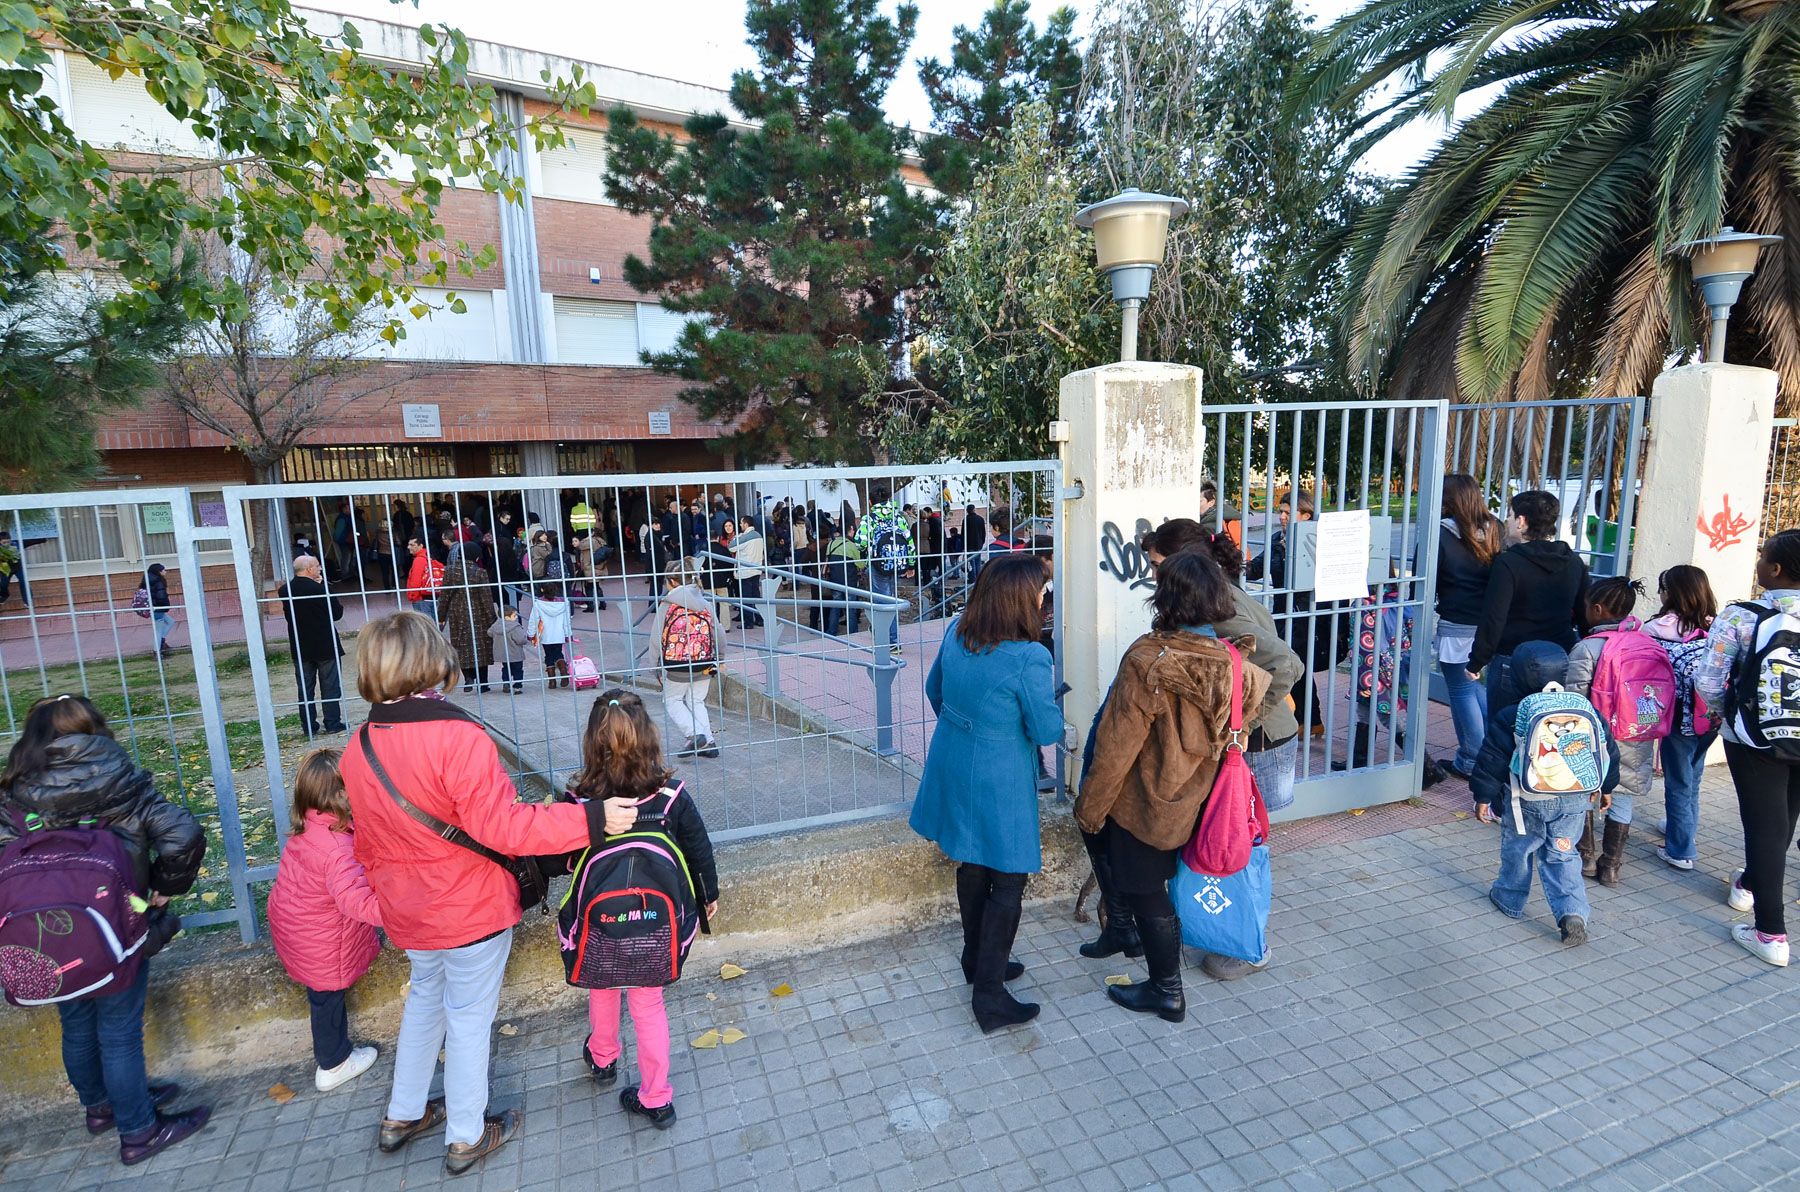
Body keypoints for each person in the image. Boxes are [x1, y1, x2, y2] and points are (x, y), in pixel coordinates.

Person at [338, 612, 635, 1176]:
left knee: (425, 1000)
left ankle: (401, 1115)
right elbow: (503, 828)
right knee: (469, 1019)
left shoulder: (360, 745)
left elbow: (366, 843)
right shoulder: (458, 738)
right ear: (431, 659)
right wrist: (590, 821)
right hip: (468, 908)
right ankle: (466, 1134)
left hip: (407, 911)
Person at [0, 695, 210, 1164]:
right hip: (119, 919)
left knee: (75, 1022)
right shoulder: (121, 780)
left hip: (44, 933)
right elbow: (184, 834)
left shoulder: (13, 792)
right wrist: (160, 888)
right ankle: (139, 1131)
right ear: (93, 729)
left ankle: (101, 1108)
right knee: (119, 1031)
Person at [1076, 553, 1273, 1023]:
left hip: (1149, 802)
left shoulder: (1148, 659)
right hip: (1205, 802)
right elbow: (1244, 722)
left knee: (1146, 890)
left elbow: (1117, 745)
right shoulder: (1233, 660)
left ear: (1164, 597)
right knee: (1160, 884)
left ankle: (1166, 990)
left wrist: (1091, 807)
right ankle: (1125, 938)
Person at [1127, 521, 1304, 981]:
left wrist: (1243, 719)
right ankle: (1231, 928)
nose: (1152, 575)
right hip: (1260, 739)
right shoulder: (1219, 590)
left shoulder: (1217, 610)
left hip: (1260, 742)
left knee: (1239, 844)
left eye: (1156, 565)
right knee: (1239, 843)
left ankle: (1249, 948)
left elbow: (1287, 663)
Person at [909, 554, 1063, 1033]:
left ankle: (976, 959)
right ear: (1023, 598)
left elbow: (934, 691)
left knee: (972, 862)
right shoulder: (1029, 657)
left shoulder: (959, 631)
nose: (1045, 598)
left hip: (952, 756)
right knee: (1009, 877)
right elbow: (1044, 730)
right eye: (1042, 591)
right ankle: (989, 995)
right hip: (998, 774)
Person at [568, 691, 719, 1127]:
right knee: (648, 1004)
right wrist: (708, 897)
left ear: (592, 742)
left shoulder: (579, 800)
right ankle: (657, 1097)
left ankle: (602, 1056)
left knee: (602, 983)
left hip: (602, 926)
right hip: (656, 928)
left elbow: (560, 858)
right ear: (649, 737)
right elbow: (698, 851)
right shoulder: (671, 796)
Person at [1469, 642, 1619, 946]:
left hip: (1527, 801)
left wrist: (1483, 796)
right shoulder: (1583, 708)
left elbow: (1492, 760)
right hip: (1575, 801)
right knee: (1563, 854)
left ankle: (1509, 897)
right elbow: (1608, 751)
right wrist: (1606, 787)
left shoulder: (1513, 713)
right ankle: (1572, 913)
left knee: (1519, 849)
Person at [1696, 529, 1800, 967]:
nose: (1757, 563)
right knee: (1783, 817)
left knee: (1764, 826)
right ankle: (1751, 882)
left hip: (1754, 738)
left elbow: (1708, 680)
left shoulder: (1742, 616)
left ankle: (1770, 933)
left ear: (1774, 570)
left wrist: (1723, 716)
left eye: (1762, 557)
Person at [266, 748, 384, 1094]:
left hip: (299, 932)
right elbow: (356, 902)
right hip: (324, 942)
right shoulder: (336, 848)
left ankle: (333, 1056)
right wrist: (400, 911)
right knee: (326, 1002)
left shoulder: (308, 828)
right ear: (342, 795)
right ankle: (333, 1063)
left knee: (322, 998)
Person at [1563, 577, 1657, 886]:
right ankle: (1612, 866)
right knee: (1624, 796)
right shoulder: (1647, 643)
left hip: (1596, 734)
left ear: (1598, 610)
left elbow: (1574, 699)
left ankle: (1585, 856)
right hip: (1636, 732)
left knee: (1586, 793)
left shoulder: (1587, 648)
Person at [1468, 489, 1590, 705]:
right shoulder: (1574, 562)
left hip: (1512, 658)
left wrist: (1477, 661)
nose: (1506, 520)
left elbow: (1494, 617)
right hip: (1559, 657)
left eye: (1510, 514)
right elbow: (1584, 615)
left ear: (1521, 521)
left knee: (1504, 730)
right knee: (1549, 730)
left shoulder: (1508, 563)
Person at [1248, 490, 1344, 739]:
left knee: (1294, 667)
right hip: (1285, 614)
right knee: (1296, 667)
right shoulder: (1277, 540)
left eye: (1288, 513)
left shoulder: (1319, 543)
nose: (1281, 517)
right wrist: (1235, 565)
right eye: (1280, 511)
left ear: (1306, 515)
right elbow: (1256, 569)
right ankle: (1310, 720)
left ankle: (1306, 719)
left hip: (1309, 616)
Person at [1643, 565, 1719, 872]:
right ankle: (1682, 828)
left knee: (1678, 782)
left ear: (1671, 593)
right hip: (1709, 716)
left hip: (1676, 718)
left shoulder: (1658, 627)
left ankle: (1680, 849)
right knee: (1693, 775)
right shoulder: (1717, 626)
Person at [1435, 474, 1503, 779]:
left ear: (1449, 500)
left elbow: (1429, 580)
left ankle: (1473, 758)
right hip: (1489, 622)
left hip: (1456, 621)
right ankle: (1489, 747)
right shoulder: (1495, 528)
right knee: (1474, 686)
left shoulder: (1442, 534)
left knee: (1462, 689)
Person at [652, 559, 725, 759]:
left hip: (678, 665)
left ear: (672, 582)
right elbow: (719, 633)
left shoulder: (667, 605)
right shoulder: (705, 602)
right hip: (707, 662)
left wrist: (655, 666)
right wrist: (720, 658)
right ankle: (708, 742)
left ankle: (695, 734)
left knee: (672, 699)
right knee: (696, 700)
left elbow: (656, 639)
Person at [277, 555, 347, 737]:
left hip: (301, 645)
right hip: (325, 644)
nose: (320, 569)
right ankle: (333, 722)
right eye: (317, 566)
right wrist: (324, 587)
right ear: (309, 569)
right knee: (330, 685)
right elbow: (337, 613)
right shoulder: (319, 589)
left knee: (305, 687)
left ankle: (308, 725)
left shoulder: (285, 590)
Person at [856, 485, 915, 653]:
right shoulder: (899, 517)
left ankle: (891, 640)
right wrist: (910, 564)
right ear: (889, 499)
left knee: (884, 601)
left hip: (878, 564)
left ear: (870, 501)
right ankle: (880, 631)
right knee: (890, 598)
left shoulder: (870, 519)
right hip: (896, 563)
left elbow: (860, 542)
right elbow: (909, 541)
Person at [440, 554, 498, 693]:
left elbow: (445, 596)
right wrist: (492, 619)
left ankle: (468, 678)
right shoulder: (480, 572)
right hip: (478, 614)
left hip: (457, 614)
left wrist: (441, 615)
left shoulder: (450, 571)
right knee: (481, 648)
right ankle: (483, 683)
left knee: (461, 646)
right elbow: (486, 598)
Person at [524, 583, 572, 689]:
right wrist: (568, 634)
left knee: (549, 656)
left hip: (546, 635)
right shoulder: (564, 603)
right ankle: (563, 670)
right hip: (559, 634)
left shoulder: (538, 603)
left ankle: (552, 681)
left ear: (542, 590)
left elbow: (533, 620)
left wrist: (531, 634)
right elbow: (567, 620)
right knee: (559, 653)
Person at [823, 523, 865, 637]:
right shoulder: (852, 546)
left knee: (835, 607)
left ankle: (831, 631)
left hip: (835, 580)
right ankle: (852, 633)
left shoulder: (831, 544)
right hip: (849, 581)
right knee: (851, 609)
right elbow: (860, 565)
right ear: (849, 532)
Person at [730, 518, 767, 629]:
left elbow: (731, 547)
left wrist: (737, 537)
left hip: (745, 571)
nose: (740, 525)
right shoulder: (759, 535)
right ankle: (760, 619)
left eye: (741, 523)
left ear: (746, 524)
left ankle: (748, 622)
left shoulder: (745, 537)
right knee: (756, 596)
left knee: (746, 598)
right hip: (756, 569)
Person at [489, 604, 531, 695]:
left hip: (503, 653)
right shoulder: (515, 627)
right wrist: (526, 640)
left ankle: (506, 683)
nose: (516, 618)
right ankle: (517, 686)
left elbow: (489, 633)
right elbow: (520, 639)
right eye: (514, 615)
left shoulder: (496, 625)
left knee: (506, 668)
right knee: (518, 670)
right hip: (515, 653)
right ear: (507, 617)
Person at [404, 538, 445, 624]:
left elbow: (416, 581)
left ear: (421, 546)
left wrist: (413, 596)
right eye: (408, 544)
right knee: (433, 624)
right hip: (431, 596)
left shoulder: (419, 560)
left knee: (425, 626)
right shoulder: (428, 556)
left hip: (421, 598)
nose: (408, 547)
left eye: (412, 545)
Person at [142, 564, 176, 658]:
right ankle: (157, 651)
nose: (165, 571)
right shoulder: (158, 582)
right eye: (163, 570)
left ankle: (161, 641)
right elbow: (161, 596)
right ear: (158, 572)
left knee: (170, 621)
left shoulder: (148, 580)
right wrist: (165, 606)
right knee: (158, 630)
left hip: (154, 607)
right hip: (158, 608)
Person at [0, 528, 29, 608]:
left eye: (8, 542)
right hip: (6, 570)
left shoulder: (16, 544)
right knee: (3, 584)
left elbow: (29, 542)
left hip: (18, 568)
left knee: (24, 582)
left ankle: (28, 601)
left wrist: (43, 539)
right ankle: (4, 596)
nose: (6, 544)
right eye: (4, 542)